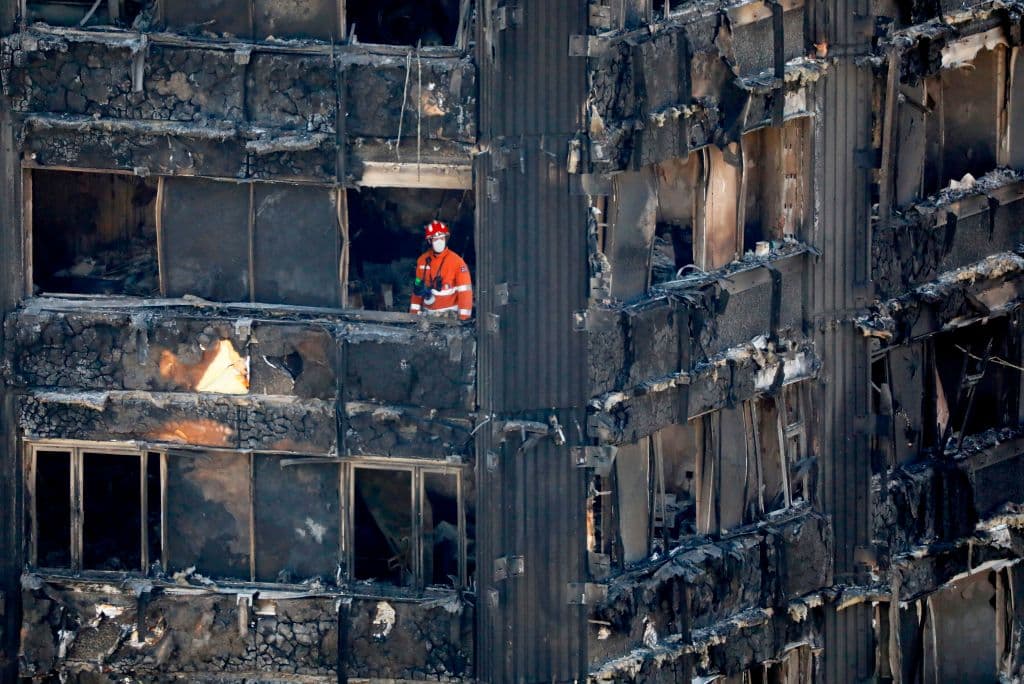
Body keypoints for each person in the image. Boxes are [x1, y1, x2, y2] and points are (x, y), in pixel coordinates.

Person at [409, 220, 473, 320]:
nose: (439, 242)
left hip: (450, 316)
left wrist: (464, 317)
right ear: (429, 241)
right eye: (435, 239)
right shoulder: (422, 261)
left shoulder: (457, 262)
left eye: (442, 238)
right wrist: (413, 315)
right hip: (428, 315)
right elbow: (417, 289)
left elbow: (465, 292)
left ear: (446, 239)